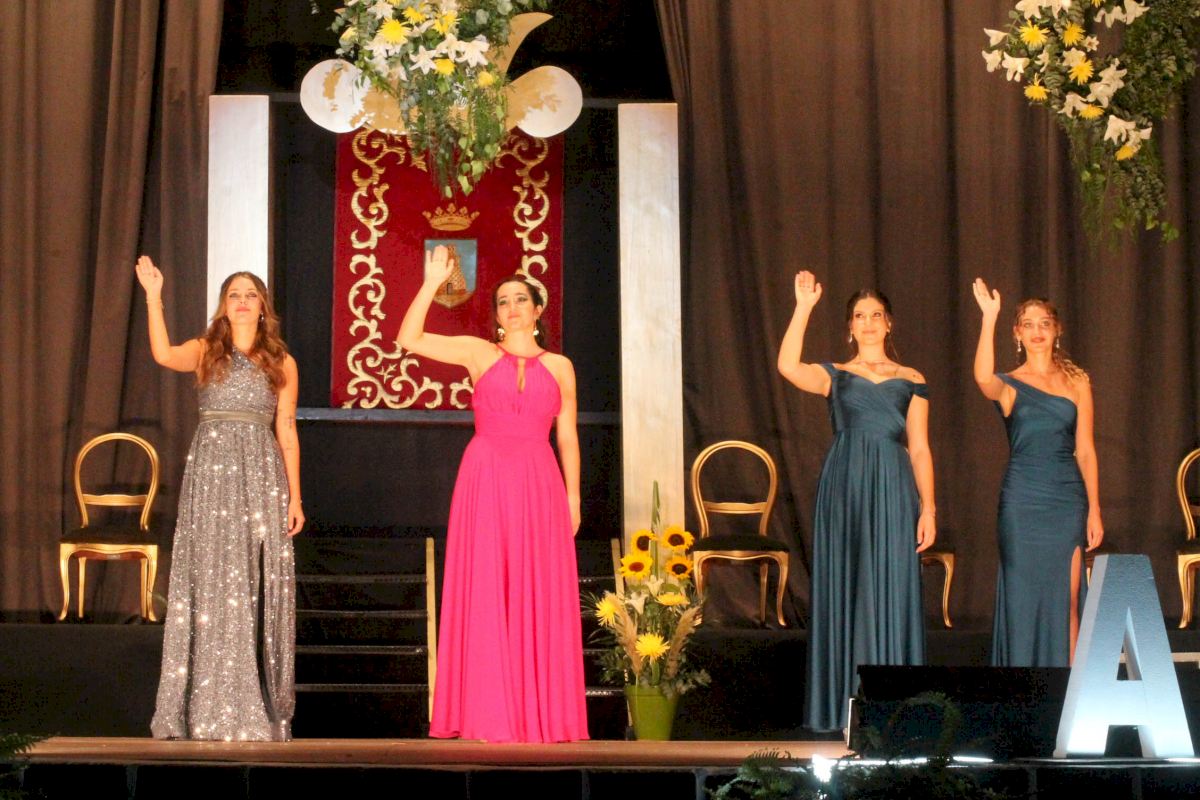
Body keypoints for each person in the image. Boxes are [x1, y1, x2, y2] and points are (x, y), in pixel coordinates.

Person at [398, 245, 588, 742]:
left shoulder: (561, 366)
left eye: (520, 299)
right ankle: (487, 712)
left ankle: (535, 715)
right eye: (503, 302)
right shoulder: (479, 353)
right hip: (485, 478)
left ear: (538, 309)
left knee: (535, 590)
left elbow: (568, 437)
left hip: (540, 480)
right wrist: (431, 284)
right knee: (486, 585)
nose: (512, 307)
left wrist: (573, 498)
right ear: (497, 316)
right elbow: (408, 338)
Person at [136, 256, 303, 742]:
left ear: (263, 306)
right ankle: (205, 704)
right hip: (211, 472)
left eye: (251, 295)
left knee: (250, 584)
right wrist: (154, 297)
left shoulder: (281, 361)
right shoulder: (207, 349)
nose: (243, 302)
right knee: (212, 582)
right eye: (235, 295)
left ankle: (254, 703)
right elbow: (164, 354)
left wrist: (295, 498)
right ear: (224, 306)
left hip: (261, 472)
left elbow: (287, 430)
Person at [777, 271, 935, 732]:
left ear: (889, 324)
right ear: (850, 327)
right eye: (860, 316)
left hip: (893, 485)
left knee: (891, 586)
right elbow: (788, 366)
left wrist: (928, 507)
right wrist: (803, 307)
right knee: (846, 584)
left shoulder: (912, 379)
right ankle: (841, 705)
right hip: (844, 485)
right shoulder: (835, 375)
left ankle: (892, 708)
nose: (868, 323)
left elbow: (920, 449)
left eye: (876, 315)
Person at [971, 279, 1102, 667]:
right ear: (1017, 333)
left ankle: (1069, 692)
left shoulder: (1078, 382)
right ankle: (1023, 692)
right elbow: (982, 378)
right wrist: (989, 318)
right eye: (1028, 324)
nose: (1037, 331)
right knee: (1022, 603)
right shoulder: (1009, 384)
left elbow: (1086, 449)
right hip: (1022, 502)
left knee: (1068, 603)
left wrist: (1094, 509)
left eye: (1044, 323)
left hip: (1066, 500)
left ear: (1057, 329)